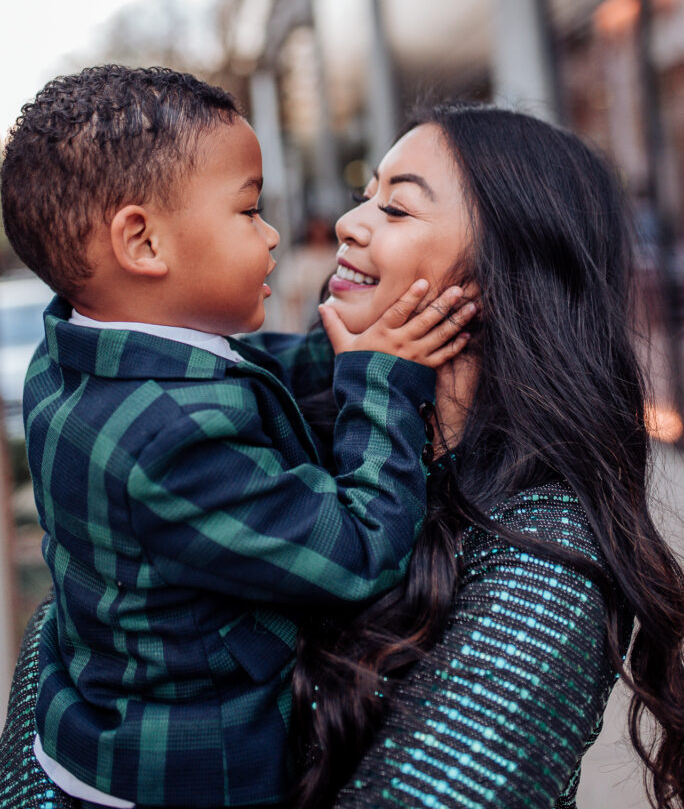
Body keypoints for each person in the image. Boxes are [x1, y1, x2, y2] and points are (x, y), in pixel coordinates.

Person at [0, 67, 475, 809]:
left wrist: (360, 349)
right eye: (249, 212)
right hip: (195, 770)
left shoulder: (87, 355)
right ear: (143, 241)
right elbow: (357, 551)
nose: (273, 233)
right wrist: (384, 384)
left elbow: (256, 370)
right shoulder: (166, 441)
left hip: (100, 715)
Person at [285, 103, 684, 809]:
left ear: (500, 277)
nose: (349, 223)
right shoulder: (311, 424)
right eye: (365, 196)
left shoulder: (548, 552)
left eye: (398, 209)